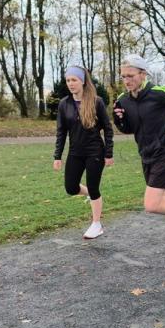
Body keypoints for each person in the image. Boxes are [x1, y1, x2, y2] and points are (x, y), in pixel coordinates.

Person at [112, 54, 165, 256]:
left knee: (151, 205)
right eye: (123, 76)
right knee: (164, 204)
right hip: (146, 156)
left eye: (131, 75)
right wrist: (119, 120)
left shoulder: (157, 93)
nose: (126, 80)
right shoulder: (123, 100)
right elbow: (128, 129)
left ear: (143, 74)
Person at [53, 66, 114, 239]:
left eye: (74, 80)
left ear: (83, 81)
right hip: (75, 152)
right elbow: (61, 132)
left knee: (94, 187)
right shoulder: (64, 104)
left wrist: (108, 153)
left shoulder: (96, 101)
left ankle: (97, 224)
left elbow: (108, 129)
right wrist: (57, 156)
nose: (70, 84)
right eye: (68, 80)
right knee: (71, 187)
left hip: (95, 151)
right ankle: (93, 197)